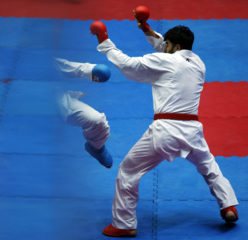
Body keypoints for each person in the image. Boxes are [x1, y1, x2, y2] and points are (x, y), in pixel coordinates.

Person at [90, 11, 239, 238]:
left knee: (128, 171)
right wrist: (147, 29)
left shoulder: (163, 60)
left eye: (167, 44)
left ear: (176, 46)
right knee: (209, 167)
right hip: (193, 130)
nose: (163, 47)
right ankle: (228, 205)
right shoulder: (199, 64)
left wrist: (104, 41)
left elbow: (128, 65)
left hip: (166, 131)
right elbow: (166, 49)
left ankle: (124, 223)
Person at [54, 58, 113, 168]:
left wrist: (90, 71)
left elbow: (60, 66)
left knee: (97, 120)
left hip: (59, 101)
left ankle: (95, 148)